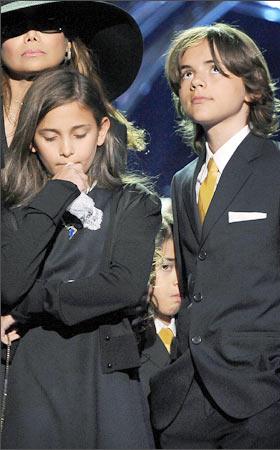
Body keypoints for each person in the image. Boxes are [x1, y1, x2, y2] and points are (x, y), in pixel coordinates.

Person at [149, 23, 280, 449]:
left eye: (214, 69)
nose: (196, 81)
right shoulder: (182, 181)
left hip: (260, 397)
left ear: (251, 86)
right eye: (187, 73)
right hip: (185, 399)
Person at [0, 68, 161, 449]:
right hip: (37, 376)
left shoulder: (133, 203)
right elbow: (8, 282)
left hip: (106, 377)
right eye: (50, 137)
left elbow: (123, 286)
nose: (67, 150)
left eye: (80, 134)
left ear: (102, 131)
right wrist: (55, 195)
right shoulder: (17, 210)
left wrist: (30, 305)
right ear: (33, 141)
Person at [1, 0, 146, 310]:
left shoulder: (108, 133)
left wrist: (28, 308)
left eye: (47, 22)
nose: (31, 35)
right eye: (15, 26)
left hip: (60, 311)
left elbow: (98, 236)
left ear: (68, 41)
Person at [139, 206, 181, 398]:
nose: (177, 279)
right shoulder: (131, 339)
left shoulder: (201, 331)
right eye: (166, 266)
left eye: (181, 267)